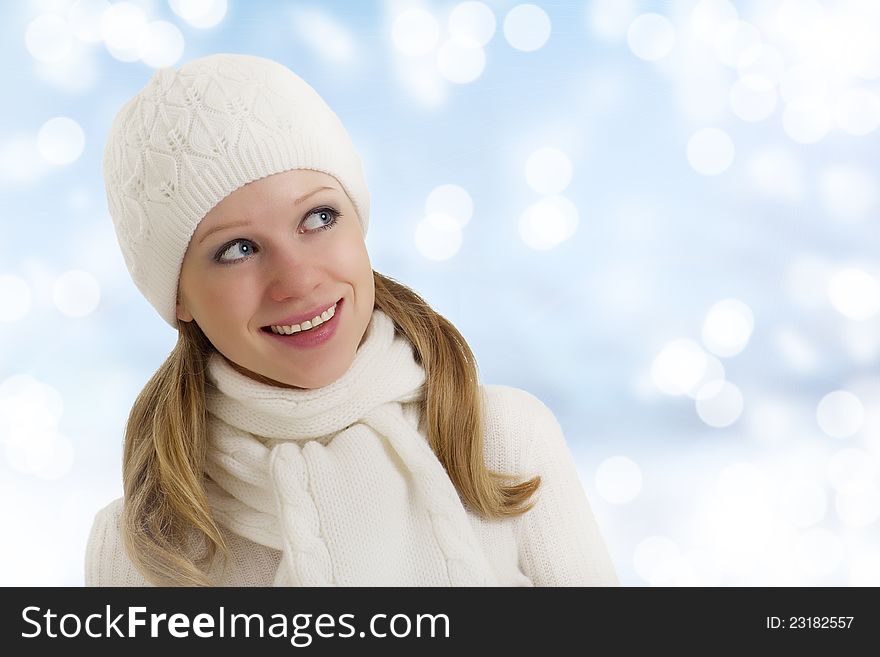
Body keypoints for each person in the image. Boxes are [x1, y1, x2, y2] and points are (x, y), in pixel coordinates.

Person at [85, 53, 618, 587]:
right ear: (178, 298)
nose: (298, 280)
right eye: (237, 249)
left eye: (318, 218)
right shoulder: (144, 548)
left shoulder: (500, 441)